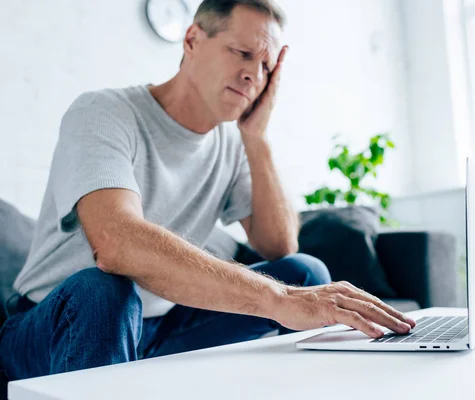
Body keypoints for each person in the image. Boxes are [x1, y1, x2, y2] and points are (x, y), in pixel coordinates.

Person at [0, 0, 415, 381]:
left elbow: (278, 245)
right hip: (51, 324)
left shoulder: (232, 146)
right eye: (243, 53)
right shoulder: (104, 112)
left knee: (306, 273)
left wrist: (257, 139)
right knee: (105, 290)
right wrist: (275, 298)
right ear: (193, 39)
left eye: (268, 66)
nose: (255, 74)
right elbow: (115, 243)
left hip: (158, 326)